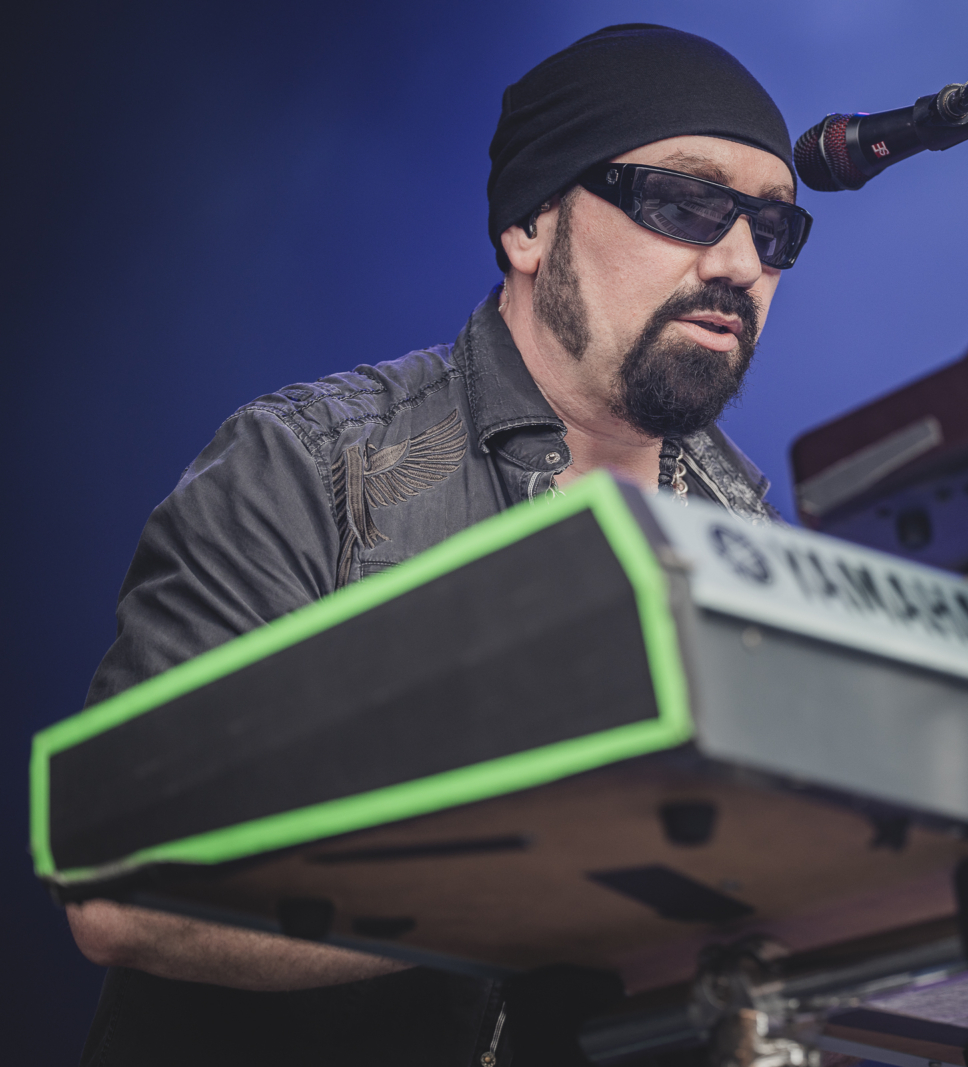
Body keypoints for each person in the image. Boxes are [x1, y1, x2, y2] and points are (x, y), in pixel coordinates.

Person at [63, 24, 810, 1067]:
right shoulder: (310, 464)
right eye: (686, 203)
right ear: (530, 226)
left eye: (774, 230)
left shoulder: (756, 540)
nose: (739, 261)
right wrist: (572, 876)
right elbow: (125, 885)